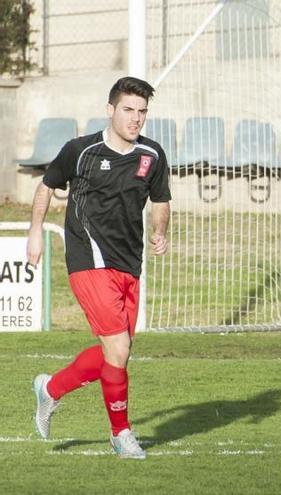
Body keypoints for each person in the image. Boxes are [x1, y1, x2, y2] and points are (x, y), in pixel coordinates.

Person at [27, 76, 171, 459]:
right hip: (88, 259)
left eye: (142, 112)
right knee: (119, 348)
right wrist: (36, 232)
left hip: (129, 264)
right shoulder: (80, 150)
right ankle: (120, 435)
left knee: (116, 354)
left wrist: (160, 231)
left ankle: (51, 389)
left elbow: (160, 200)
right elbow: (47, 185)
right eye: (128, 109)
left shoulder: (152, 155)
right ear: (110, 110)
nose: (135, 118)